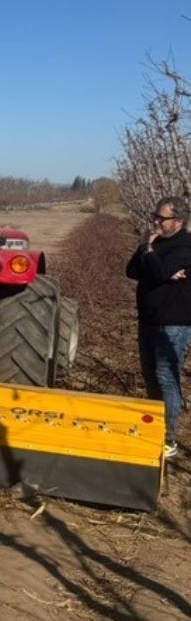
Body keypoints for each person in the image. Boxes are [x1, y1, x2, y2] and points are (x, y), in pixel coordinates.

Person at [125, 196, 191, 460]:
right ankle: (154, 427)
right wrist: (149, 253)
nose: (156, 222)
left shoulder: (185, 246)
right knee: (150, 377)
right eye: (155, 216)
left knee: (166, 377)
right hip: (148, 320)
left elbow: (159, 271)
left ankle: (169, 439)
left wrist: (152, 257)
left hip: (173, 323)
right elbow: (131, 271)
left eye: (161, 218)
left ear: (179, 221)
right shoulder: (155, 242)